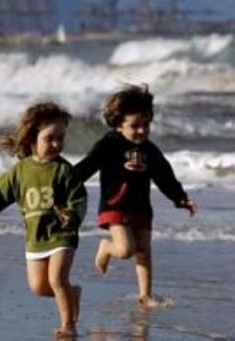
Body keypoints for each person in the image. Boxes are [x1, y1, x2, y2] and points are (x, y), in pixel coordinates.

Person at [0, 102, 87, 338]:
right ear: (32, 138)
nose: (57, 144)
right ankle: (71, 294)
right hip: (35, 239)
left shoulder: (64, 171)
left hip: (62, 234)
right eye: (50, 138)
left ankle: (68, 326)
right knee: (40, 287)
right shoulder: (19, 172)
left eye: (61, 138)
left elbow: (78, 198)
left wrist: (72, 214)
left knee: (57, 278)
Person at [73, 84, 197, 307]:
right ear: (119, 125)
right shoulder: (109, 144)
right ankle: (106, 247)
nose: (142, 130)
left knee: (144, 251)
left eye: (146, 124)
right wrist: (66, 182)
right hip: (115, 205)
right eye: (135, 126)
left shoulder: (150, 150)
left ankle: (146, 295)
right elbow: (88, 165)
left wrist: (180, 198)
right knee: (125, 249)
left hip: (141, 207)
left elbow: (164, 175)